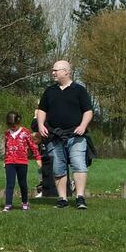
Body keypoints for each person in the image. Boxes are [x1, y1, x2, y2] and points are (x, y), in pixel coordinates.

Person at [36, 59, 94, 209]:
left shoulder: (79, 90)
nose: (53, 73)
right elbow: (42, 110)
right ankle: (62, 199)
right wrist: (41, 124)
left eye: (56, 70)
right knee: (58, 167)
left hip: (76, 135)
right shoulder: (49, 91)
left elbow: (88, 111)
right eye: (53, 70)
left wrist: (83, 125)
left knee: (78, 164)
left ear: (67, 71)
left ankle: (80, 197)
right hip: (54, 136)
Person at [1, 111, 41, 211]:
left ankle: (25, 202)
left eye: (14, 125)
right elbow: (6, 147)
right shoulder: (7, 133)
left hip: (22, 162)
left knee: (22, 183)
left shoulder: (25, 132)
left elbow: (32, 146)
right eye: (10, 125)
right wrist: (5, 160)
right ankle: (8, 204)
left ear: (18, 123)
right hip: (10, 162)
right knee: (10, 183)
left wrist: (38, 158)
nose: (12, 127)